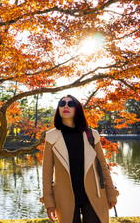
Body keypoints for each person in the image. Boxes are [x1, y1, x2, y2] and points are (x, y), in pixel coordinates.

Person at [40, 95, 119, 223]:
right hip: (64, 197)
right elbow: (47, 173)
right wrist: (49, 202)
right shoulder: (51, 137)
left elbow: (103, 166)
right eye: (62, 103)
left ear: (77, 109)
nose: (65, 106)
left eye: (70, 104)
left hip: (94, 195)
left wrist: (111, 193)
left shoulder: (92, 135)